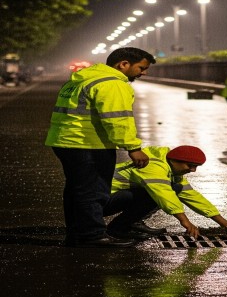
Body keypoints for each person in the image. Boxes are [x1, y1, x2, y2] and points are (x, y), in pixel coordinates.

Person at [45, 46, 156, 247]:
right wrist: (133, 147)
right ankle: (93, 235)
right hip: (88, 144)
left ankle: (77, 234)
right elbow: (117, 119)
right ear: (123, 64)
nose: (144, 72)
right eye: (141, 67)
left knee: (76, 190)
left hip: (65, 141)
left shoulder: (84, 78)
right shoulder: (112, 84)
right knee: (93, 191)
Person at [106, 145, 227, 240]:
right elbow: (164, 195)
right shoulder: (152, 166)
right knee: (154, 194)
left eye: (196, 166)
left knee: (175, 187)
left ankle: (128, 224)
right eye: (190, 165)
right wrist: (185, 221)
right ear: (175, 160)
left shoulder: (172, 170)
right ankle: (119, 228)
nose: (193, 170)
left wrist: (223, 223)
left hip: (108, 199)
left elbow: (192, 196)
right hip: (98, 201)